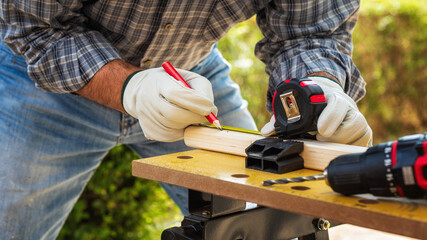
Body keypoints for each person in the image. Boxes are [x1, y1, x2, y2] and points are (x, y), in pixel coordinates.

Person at [0, 0, 372, 239]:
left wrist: (318, 88)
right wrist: (130, 87)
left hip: (188, 82)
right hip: (43, 81)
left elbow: (312, 32)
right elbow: (36, 25)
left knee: (273, 221)